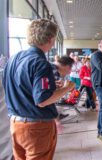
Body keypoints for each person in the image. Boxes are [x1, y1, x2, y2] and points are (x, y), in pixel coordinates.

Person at [2, 19, 75, 160]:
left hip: (15, 124)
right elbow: (43, 100)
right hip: (35, 127)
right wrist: (67, 88)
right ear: (50, 39)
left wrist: (52, 88)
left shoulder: (13, 59)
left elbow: (19, 87)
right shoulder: (41, 63)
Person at [51, 56, 75, 122]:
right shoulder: (55, 71)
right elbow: (50, 95)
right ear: (66, 66)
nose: (69, 72)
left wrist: (56, 84)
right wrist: (67, 88)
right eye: (70, 68)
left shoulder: (51, 67)